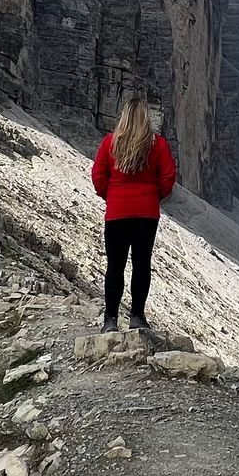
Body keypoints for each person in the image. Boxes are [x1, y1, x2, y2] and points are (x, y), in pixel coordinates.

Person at [90, 92, 177, 333]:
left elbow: (98, 175)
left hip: (117, 212)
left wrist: (111, 195)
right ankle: (137, 316)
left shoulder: (110, 142)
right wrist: (153, 196)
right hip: (146, 214)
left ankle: (110, 320)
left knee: (115, 266)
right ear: (145, 118)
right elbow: (168, 176)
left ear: (125, 116)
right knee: (141, 264)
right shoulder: (157, 144)